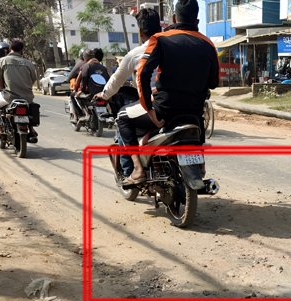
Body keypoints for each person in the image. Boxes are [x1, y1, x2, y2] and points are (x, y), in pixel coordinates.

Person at [122, 0, 219, 184]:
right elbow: (213, 83)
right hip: (194, 114)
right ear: (197, 21)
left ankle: (137, 169)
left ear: (174, 18)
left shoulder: (161, 39)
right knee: (197, 123)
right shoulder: (208, 45)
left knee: (122, 117)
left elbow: (142, 73)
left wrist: (149, 109)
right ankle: (200, 165)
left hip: (165, 110)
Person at [96, 7, 162, 177]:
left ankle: (133, 170)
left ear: (140, 32)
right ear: (160, 26)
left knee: (122, 118)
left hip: (156, 103)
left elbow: (116, 80)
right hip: (183, 103)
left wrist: (104, 95)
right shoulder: (174, 46)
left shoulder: (137, 53)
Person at [0, 38, 38, 139]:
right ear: (22, 50)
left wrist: (2, 89)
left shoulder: (2, 61)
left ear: (10, 49)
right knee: (29, 108)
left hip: (9, 96)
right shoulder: (28, 63)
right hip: (27, 97)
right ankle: (31, 129)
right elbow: (33, 79)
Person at [73, 48, 109, 122]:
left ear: (85, 57)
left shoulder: (86, 66)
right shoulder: (103, 67)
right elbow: (108, 79)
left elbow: (83, 79)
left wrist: (81, 90)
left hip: (91, 93)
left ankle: (83, 114)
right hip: (103, 93)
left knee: (74, 96)